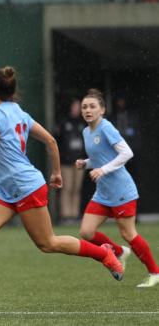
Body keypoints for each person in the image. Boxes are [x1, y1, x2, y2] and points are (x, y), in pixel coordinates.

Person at [0, 67, 123, 317]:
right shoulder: (19, 112)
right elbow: (51, 141)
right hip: (7, 189)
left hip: (26, 186)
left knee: (48, 243)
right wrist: (56, 172)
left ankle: (103, 253)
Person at [76, 89, 159, 288]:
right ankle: (119, 252)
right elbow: (101, 156)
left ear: (102, 110)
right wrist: (86, 163)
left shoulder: (107, 128)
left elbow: (126, 153)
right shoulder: (86, 131)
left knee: (129, 234)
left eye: (92, 106)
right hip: (103, 193)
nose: (88, 110)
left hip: (121, 191)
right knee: (86, 232)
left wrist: (102, 170)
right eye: (84, 107)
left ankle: (155, 273)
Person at [55, 99, 86, 224]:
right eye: (75, 107)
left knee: (76, 187)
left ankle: (75, 214)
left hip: (79, 161)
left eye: (79, 107)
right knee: (66, 187)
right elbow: (58, 141)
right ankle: (65, 215)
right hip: (66, 162)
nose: (77, 110)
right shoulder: (63, 122)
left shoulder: (82, 123)